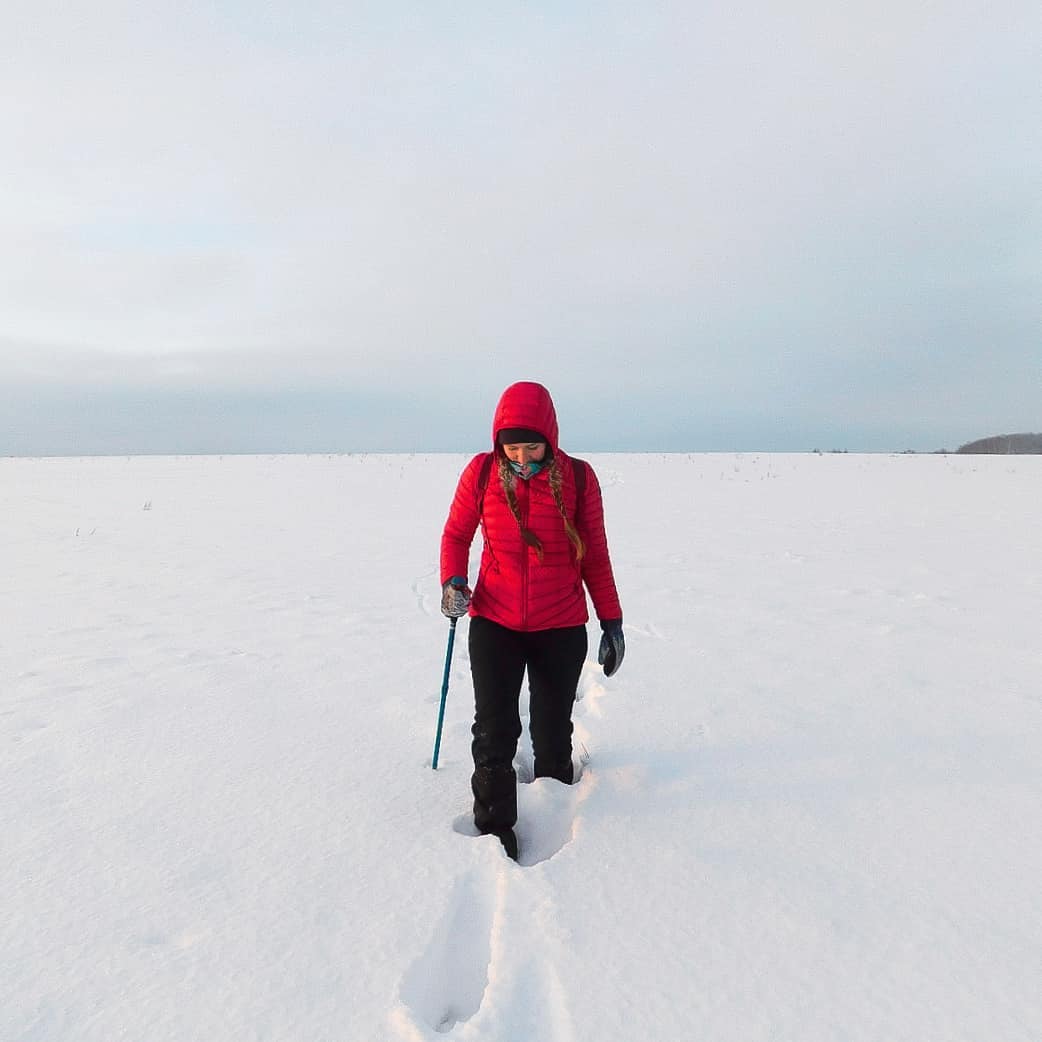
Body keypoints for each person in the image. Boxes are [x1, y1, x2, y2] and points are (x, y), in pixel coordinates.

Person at [439, 381, 624, 861]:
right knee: (494, 729)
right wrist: (454, 582)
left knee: (550, 726)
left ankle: (555, 805)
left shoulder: (579, 479)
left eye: (532, 445)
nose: (521, 457)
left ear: (551, 436)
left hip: (560, 625)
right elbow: (457, 534)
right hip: (495, 621)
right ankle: (496, 825)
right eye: (512, 446)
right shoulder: (481, 473)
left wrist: (612, 621)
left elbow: (596, 556)